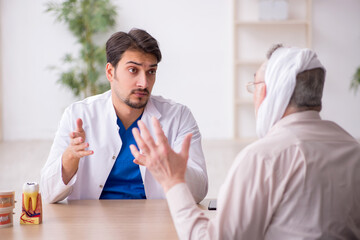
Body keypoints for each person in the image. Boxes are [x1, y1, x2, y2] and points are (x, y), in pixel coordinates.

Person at [130, 44, 360, 239]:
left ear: (272, 93)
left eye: (255, 86)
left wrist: (172, 180)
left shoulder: (265, 157)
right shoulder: (353, 149)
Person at [40, 29, 208, 203]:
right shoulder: (78, 115)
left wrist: (173, 167)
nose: (144, 83)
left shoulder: (178, 116)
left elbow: (199, 192)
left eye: (151, 71)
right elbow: (47, 194)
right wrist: (70, 157)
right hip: (92, 225)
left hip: (156, 222)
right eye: (133, 70)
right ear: (110, 72)